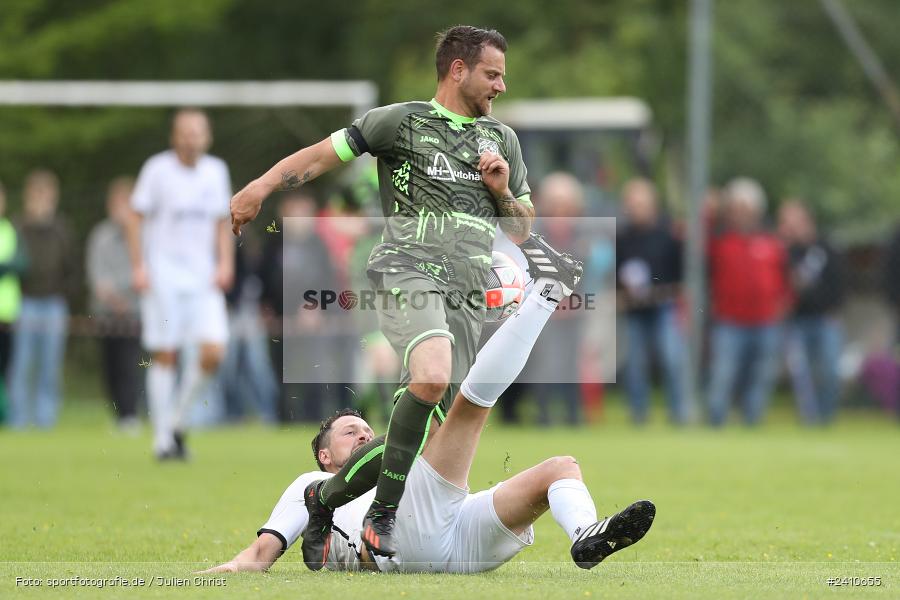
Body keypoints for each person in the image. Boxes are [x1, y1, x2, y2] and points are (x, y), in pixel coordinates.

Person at [230, 26, 581, 557]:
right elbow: (321, 156)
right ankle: (382, 514)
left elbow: (523, 230)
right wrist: (260, 186)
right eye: (493, 74)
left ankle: (323, 498)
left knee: (430, 427)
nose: (501, 86)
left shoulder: (502, 141)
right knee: (434, 375)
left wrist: (503, 190)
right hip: (405, 271)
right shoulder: (401, 122)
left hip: (465, 297)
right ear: (457, 69)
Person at [199, 265, 653, 574]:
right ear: (323, 457)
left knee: (561, 468)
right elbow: (262, 553)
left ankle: (584, 533)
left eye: (363, 428)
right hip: (397, 544)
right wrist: (231, 570)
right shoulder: (304, 485)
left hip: (457, 538)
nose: (361, 432)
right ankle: (544, 295)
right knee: (459, 412)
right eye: (346, 433)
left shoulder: (393, 461)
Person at [126, 108, 234, 459]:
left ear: (208, 136)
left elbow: (222, 222)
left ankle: (176, 420)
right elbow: (135, 218)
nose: (191, 138)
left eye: (198, 132)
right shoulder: (157, 169)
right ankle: (161, 439)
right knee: (166, 353)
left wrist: (225, 263)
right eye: (185, 132)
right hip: (164, 274)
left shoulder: (216, 171)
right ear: (175, 136)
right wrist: (139, 265)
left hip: (202, 277)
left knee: (214, 350)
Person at [707, 178, 791, 426]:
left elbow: (786, 279)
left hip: (766, 321)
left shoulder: (771, 243)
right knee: (723, 374)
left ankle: (752, 421)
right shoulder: (720, 242)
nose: (742, 214)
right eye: (736, 209)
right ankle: (716, 422)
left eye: (747, 209)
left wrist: (782, 307)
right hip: (730, 321)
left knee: (762, 376)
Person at [8, 169, 76, 429]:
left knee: (50, 366)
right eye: (36, 194)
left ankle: (46, 420)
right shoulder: (18, 227)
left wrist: (64, 293)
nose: (41, 200)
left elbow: (72, 268)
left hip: (54, 304)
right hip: (25, 303)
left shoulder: (62, 229)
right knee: (23, 364)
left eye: (45, 195)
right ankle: (20, 420)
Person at [615, 178, 686, 424]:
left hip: (663, 308)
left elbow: (681, 276)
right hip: (634, 311)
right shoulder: (622, 238)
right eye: (632, 204)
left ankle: (679, 413)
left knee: (672, 358)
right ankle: (638, 415)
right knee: (635, 365)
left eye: (641, 204)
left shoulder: (669, 236)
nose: (637, 209)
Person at [778, 200, 845, 425]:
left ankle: (826, 417)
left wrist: (835, 309)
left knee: (829, 370)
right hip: (797, 321)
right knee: (801, 375)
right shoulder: (784, 252)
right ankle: (809, 419)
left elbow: (841, 282)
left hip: (826, 319)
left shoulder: (827, 247)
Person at [86, 177, 143, 431]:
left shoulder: (143, 235)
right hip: (106, 314)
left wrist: (120, 293)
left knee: (129, 365)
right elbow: (97, 275)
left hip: (132, 314)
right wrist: (111, 295)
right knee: (110, 367)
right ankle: (119, 415)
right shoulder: (100, 235)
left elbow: (141, 273)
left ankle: (130, 415)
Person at [0, 180, 27, 424]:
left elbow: (21, 263)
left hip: (7, 312)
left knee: (8, 369)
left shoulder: (11, 229)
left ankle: (7, 417)